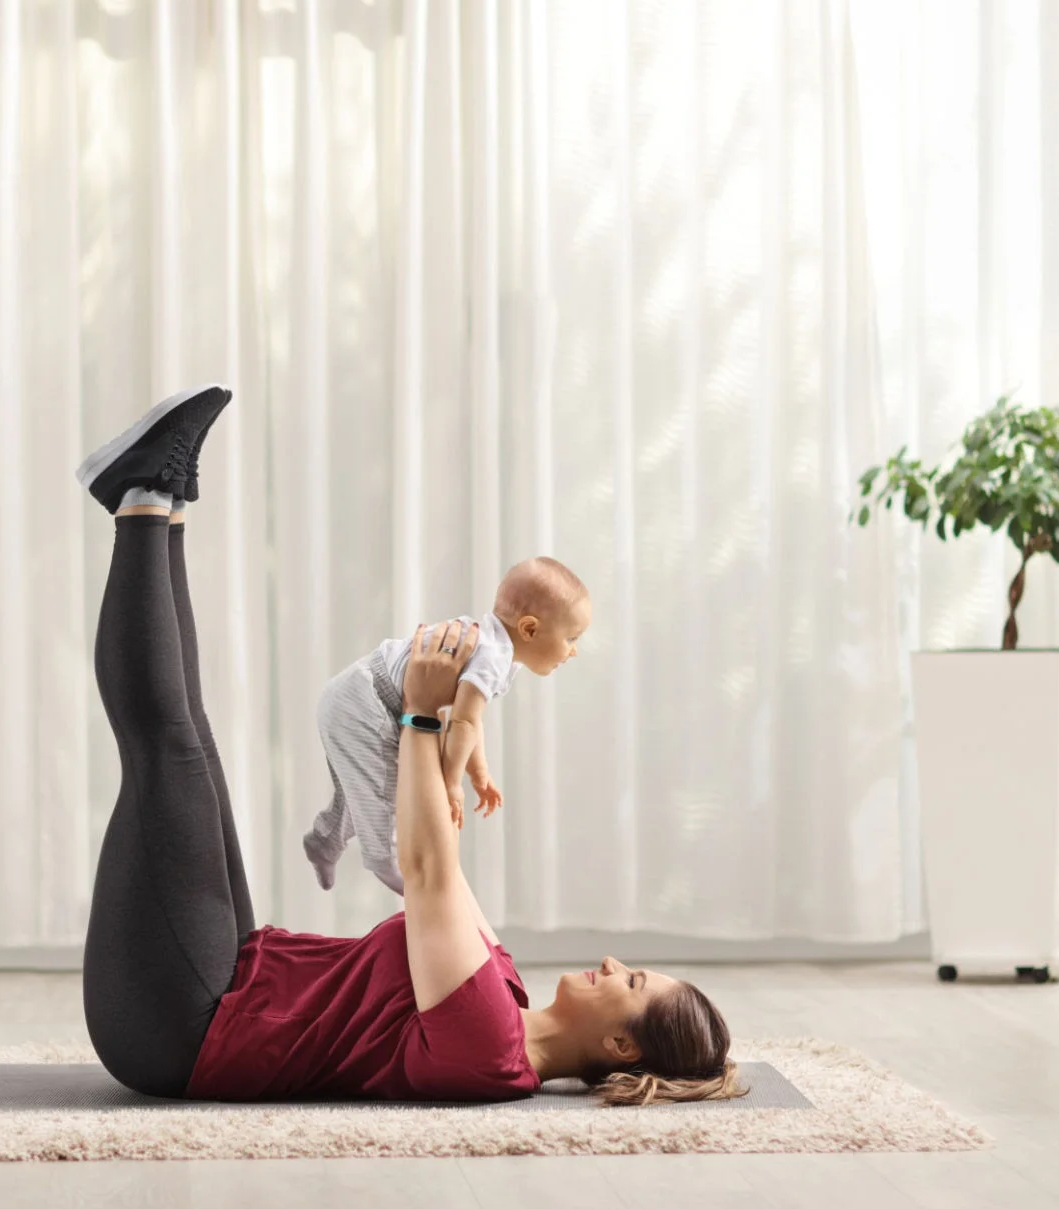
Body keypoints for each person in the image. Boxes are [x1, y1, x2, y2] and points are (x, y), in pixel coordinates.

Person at [74, 385, 746, 1106]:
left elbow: (426, 870)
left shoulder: (490, 1045)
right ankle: (164, 500)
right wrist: (426, 715)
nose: (615, 963)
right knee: (191, 742)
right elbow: (440, 864)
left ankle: (140, 494)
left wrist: (423, 716)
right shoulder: (505, 994)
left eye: (633, 983)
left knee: (168, 751)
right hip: (239, 975)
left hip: (187, 1027)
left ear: (621, 1046)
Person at [300, 556, 591, 895]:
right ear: (529, 629)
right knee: (381, 795)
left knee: (360, 793)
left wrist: (478, 773)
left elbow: (470, 718)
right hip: (367, 702)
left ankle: (324, 841)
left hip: (354, 695)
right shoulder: (492, 656)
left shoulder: (496, 649)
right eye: (571, 638)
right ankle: (395, 868)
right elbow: (463, 721)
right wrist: (452, 783)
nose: (573, 652)